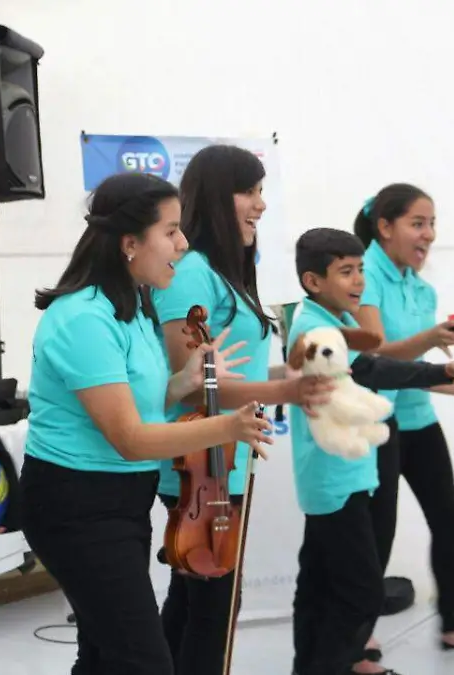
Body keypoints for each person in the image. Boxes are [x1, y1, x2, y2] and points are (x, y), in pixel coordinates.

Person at [18, 171, 273, 675]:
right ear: (130, 243)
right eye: (172, 232)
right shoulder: (83, 319)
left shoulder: (133, 308)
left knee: (103, 655)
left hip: (119, 502)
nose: (182, 244)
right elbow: (131, 439)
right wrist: (227, 426)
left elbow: (139, 399)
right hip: (75, 506)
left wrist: (186, 381)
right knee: (143, 661)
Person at [286, 228, 454, 675]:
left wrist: (451, 378)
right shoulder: (313, 330)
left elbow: (370, 365)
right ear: (313, 281)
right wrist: (444, 368)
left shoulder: (339, 323)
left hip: (349, 474)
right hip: (334, 481)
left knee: (318, 584)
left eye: (361, 270)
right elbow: (372, 368)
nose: (359, 281)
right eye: (346, 272)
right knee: (360, 591)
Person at [150, 144, 334, 675]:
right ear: (215, 197)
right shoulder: (191, 274)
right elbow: (191, 388)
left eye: (262, 191)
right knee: (212, 609)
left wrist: (291, 379)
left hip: (228, 458)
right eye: (249, 192)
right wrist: (286, 394)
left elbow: (239, 372)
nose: (261, 205)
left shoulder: (229, 272)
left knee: (193, 602)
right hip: (197, 464)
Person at [352, 184, 454, 652]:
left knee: (447, 519)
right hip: (377, 422)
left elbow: (419, 372)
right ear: (384, 227)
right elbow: (373, 353)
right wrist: (433, 339)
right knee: (378, 532)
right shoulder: (365, 275)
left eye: (432, 223)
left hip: (418, 418)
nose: (429, 235)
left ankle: (452, 624)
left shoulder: (423, 288)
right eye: (418, 223)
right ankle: (359, 635)